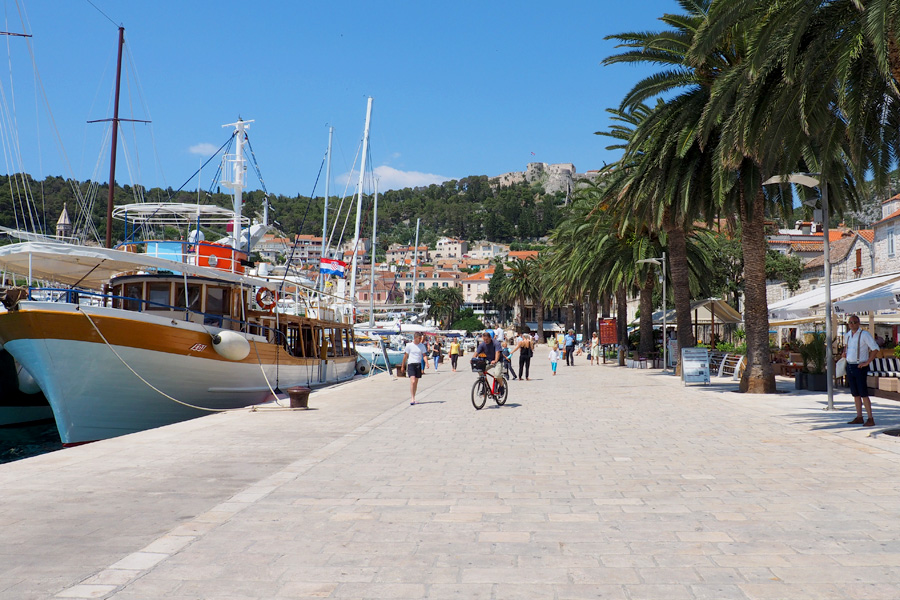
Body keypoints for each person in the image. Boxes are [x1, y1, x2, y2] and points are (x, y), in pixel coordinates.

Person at [842, 315, 880, 426]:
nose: (852, 324)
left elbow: (875, 348)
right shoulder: (847, 336)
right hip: (850, 365)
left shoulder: (864, 334)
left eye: (854, 322)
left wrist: (867, 362)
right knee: (855, 394)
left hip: (860, 367)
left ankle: (870, 418)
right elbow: (847, 347)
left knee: (863, 393)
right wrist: (844, 353)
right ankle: (859, 416)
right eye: (850, 322)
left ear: (859, 323)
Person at [401, 332, 428, 405]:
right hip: (411, 364)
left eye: (421, 338)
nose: (420, 340)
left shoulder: (421, 346)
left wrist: (427, 363)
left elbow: (424, 355)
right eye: (419, 338)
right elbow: (405, 356)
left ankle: (414, 397)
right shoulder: (409, 345)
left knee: (416, 382)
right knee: (412, 381)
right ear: (415, 338)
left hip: (418, 364)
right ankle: (412, 398)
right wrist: (403, 366)